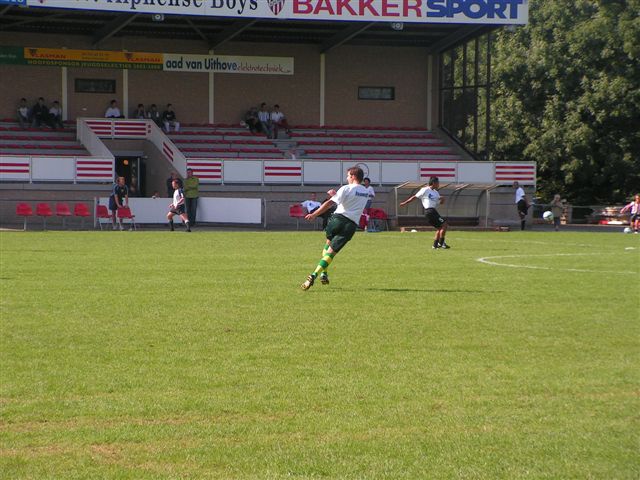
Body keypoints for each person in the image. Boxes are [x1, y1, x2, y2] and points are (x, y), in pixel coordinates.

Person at [300, 166, 370, 290]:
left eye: (348, 175)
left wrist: (314, 214)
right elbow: (352, 201)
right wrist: (336, 195)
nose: (347, 178)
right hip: (351, 225)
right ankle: (315, 274)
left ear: (353, 176)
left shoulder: (346, 188)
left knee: (327, 246)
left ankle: (324, 273)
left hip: (337, 219)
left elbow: (329, 203)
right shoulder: (366, 192)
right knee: (331, 253)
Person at [399, 176, 450, 249]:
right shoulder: (425, 189)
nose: (439, 184)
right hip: (430, 211)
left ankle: (435, 246)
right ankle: (441, 244)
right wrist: (404, 203)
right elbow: (415, 197)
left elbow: (441, 203)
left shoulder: (436, 193)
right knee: (444, 225)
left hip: (432, 211)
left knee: (439, 228)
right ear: (433, 183)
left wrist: (443, 199)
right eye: (438, 183)